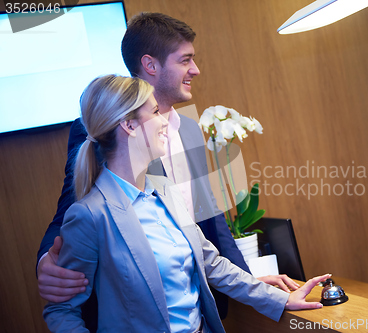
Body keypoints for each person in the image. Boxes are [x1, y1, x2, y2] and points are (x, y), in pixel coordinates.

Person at [37, 12, 298, 323]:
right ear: (151, 65)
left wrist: (251, 281)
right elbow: (72, 209)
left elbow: (211, 218)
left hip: (200, 309)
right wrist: (46, 262)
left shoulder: (189, 128)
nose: (196, 70)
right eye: (185, 60)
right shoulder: (97, 129)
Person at [42, 74, 329, 332]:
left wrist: (281, 299)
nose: (166, 121)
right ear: (129, 125)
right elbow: (61, 312)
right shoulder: (89, 215)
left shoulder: (165, 190)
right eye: (155, 112)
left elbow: (211, 263)